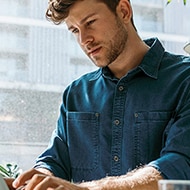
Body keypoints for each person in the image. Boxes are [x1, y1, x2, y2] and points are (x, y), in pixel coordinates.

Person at [6, 0, 190, 189]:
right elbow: (54, 162)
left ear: (124, 11)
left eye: (90, 22)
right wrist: (38, 179)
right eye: (75, 30)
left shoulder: (185, 79)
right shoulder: (76, 94)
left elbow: (179, 164)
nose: (84, 39)